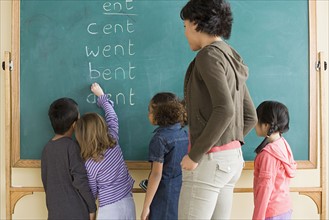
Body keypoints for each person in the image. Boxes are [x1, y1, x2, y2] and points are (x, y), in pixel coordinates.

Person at [178, 0, 258, 219]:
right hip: (232, 160)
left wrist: (195, 155)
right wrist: (228, 143)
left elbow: (225, 110)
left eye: (185, 26)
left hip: (209, 163)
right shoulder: (230, 56)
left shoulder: (208, 55)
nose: (185, 33)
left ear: (195, 23)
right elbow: (250, 116)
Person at [74, 83, 136, 220]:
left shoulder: (90, 164)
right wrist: (101, 96)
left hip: (109, 209)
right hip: (128, 201)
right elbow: (112, 118)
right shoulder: (113, 141)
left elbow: (92, 191)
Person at [41, 98, 97, 220]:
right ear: (74, 125)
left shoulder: (47, 149)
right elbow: (80, 181)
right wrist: (92, 208)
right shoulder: (72, 147)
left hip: (54, 212)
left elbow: (46, 180)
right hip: (77, 212)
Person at [141, 92, 188, 220]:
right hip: (180, 191)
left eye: (150, 111)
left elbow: (156, 174)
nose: (148, 115)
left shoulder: (159, 139)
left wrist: (146, 206)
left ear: (159, 114)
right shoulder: (184, 134)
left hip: (164, 195)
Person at [253, 101, 297, 220]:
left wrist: (257, 218)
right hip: (284, 209)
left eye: (257, 120)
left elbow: (265, 188)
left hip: (270, 213)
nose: (254, 124)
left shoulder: (269, 154)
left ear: (266, 125)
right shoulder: (283, 144)